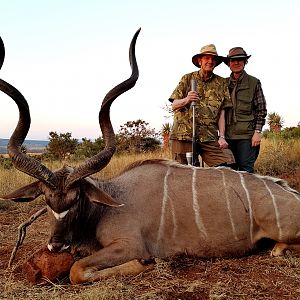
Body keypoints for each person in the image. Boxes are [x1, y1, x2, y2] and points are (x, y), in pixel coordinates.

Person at [169, 44, 235, 167]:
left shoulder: (221, 82)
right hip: (184, 136)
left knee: (227, 165)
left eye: (213, 59)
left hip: (209, 136)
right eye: (207, 58)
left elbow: (222, 112)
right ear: (200, 61)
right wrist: (187, 99)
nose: (210, 61)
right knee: (183, 175)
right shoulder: (187, 78)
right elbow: (174, 105)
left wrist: (222, 136)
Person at [223, 47, 267, 173]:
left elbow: (261, 109)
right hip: (227, 137)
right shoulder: (223, 84)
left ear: (245, 62)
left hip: (246, 136)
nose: (236, 63)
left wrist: (257, 132)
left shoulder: (254, 82)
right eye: (233, 60)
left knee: (246, 172)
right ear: (228, 63)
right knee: (228, 173)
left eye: (240, 60)